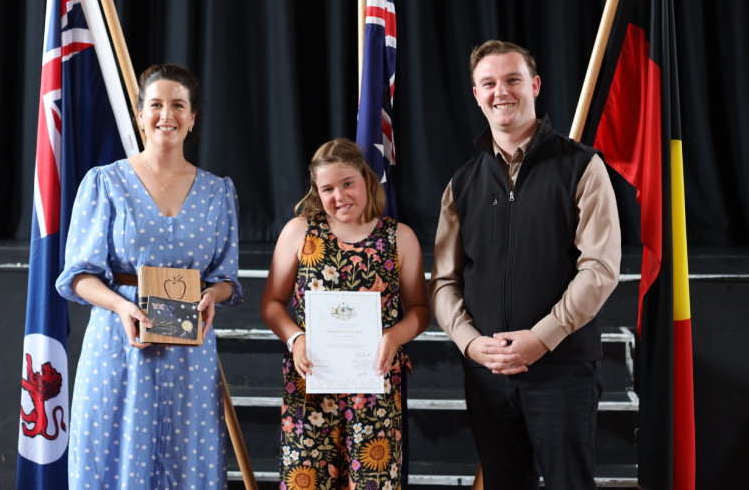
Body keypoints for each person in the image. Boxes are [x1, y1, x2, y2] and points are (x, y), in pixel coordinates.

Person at [429, 41, 621, 489]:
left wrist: (541, 338)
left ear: (534, 85)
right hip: (487, 373)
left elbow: (600, 269)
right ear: (475, 94)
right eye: (489, 83)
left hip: (562, 369)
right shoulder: (462, 183)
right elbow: (444, 281)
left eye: (513, 79)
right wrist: (471, 345)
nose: (502, 91)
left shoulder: (582, 166)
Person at [55, 63, 243, 490]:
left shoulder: (218, 192)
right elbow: (79, 276)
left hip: (189, 356)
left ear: (193, 117)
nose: (167, 115)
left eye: (179, 105)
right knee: (110, 464)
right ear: (140, 115)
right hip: (119, 346)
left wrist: (214, 294)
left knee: (187, 467)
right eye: (156, 105)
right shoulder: (105, 183)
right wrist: (122, 305)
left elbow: (228, 277)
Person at [260, 139, 430, 490]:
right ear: (317, 192)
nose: (339, 196)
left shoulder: (400, 238)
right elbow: (272, 304)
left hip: (376, 387)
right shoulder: (299, 232)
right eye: (328, 189)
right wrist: (296, 338)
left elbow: (420, 311)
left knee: (374, 483)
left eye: (348, 183)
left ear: (367, 179)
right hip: (310, 385)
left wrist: (395, 335)